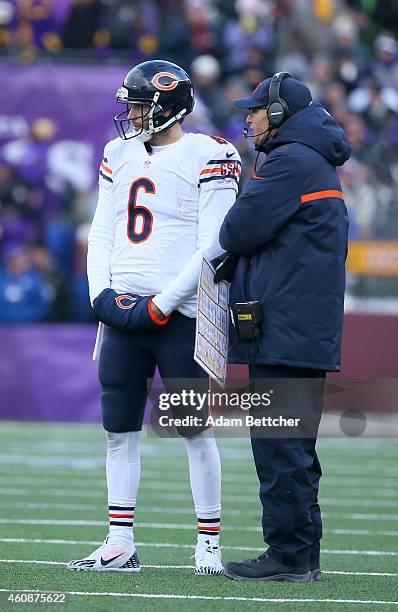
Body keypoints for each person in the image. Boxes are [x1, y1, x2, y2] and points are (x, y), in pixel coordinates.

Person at [67, 59, 241, 574]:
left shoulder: (211, 154)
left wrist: (164, 302)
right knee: (118, 430)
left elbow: (215, 242)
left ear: (170, 106)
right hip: (121, 311)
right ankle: (119, 541)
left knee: (193, 430)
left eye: (141, 105)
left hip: (181, 314)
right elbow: (101, 229)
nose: (133, 114)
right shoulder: (118, 153)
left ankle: (208, 542)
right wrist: (101, 294)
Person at [217, 72, 351, 582]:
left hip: (286, 331)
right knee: (294, 447)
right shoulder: (310, 159)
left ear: (277, 114)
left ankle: (289, 555)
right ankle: (302, 554)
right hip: (302, 329)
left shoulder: (291, 161)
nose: (248, 118)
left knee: (279, 447)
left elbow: (238, 228)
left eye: (254, 110)